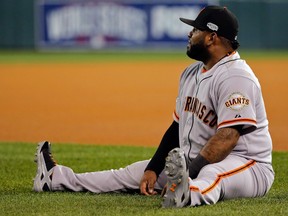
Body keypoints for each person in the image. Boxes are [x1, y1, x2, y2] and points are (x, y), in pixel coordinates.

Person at [33, 5, 274, 208]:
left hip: (247, 165)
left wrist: (190, 172)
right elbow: (175, 129)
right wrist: (153, 168)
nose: (190, 34)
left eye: (196, 29)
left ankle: (188, 193)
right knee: (131, 174)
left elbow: (228, 137)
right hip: (195, 163)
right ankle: (55, 178)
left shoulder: (235, 76)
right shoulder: (191, 73)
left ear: (212, 37)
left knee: (214, 176)